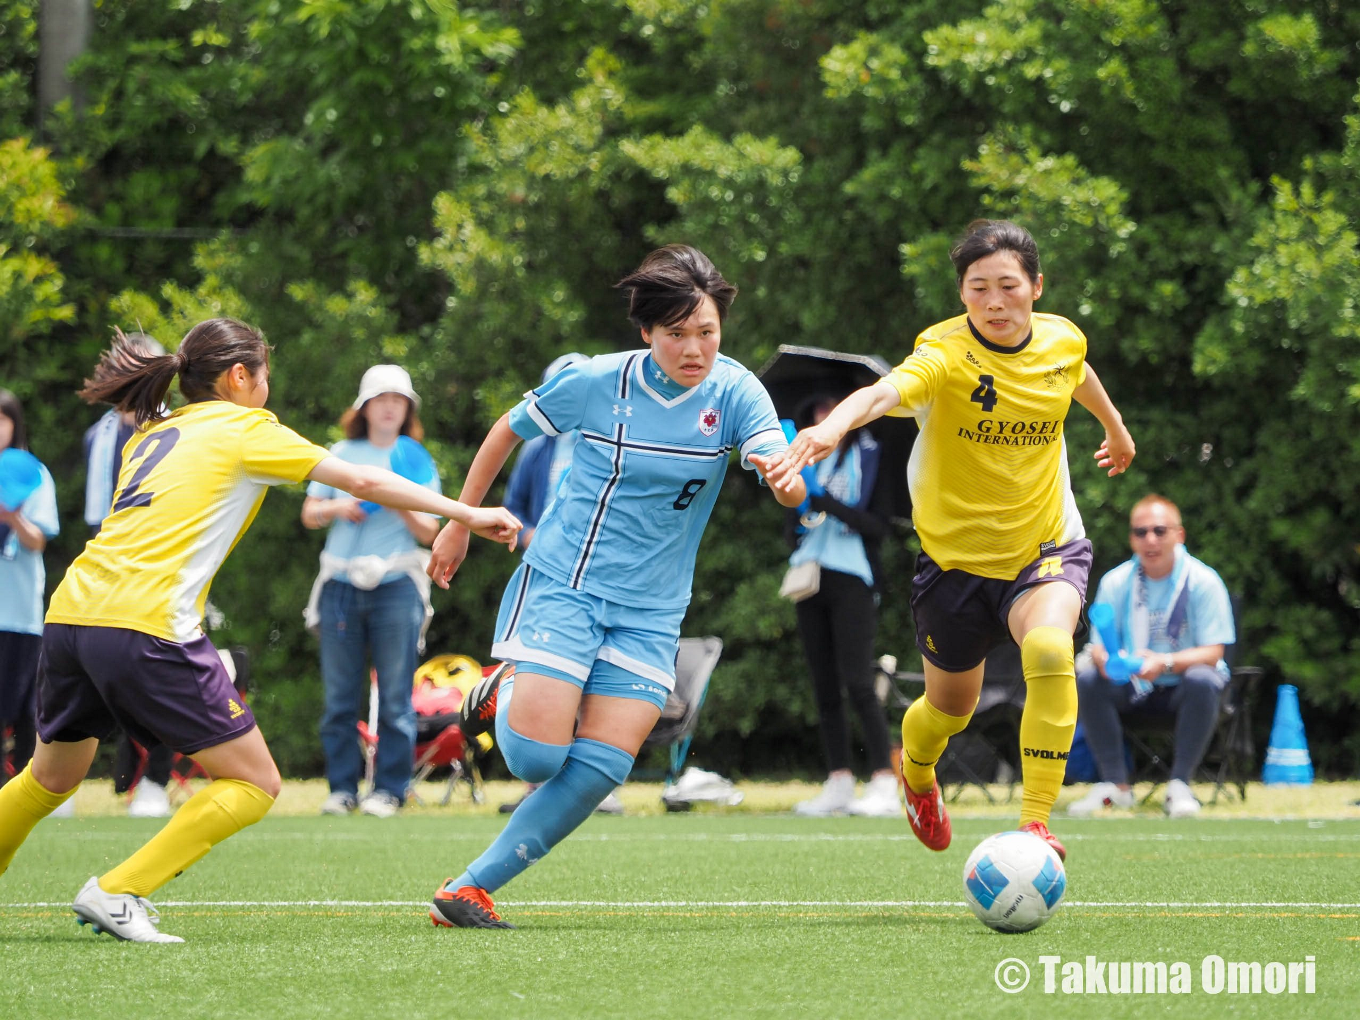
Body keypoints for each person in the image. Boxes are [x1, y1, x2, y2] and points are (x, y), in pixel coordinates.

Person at [0, 320, 520, 943]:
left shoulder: (155, 432)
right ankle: (117, 891)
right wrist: (467, 513)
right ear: (239, 376)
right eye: (264, 373)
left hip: (71, 616)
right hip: (145, 623)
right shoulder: (245, 427)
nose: (267, 386)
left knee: (50, 777)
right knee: (255, 782)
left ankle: (113, 889)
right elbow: (362, 480)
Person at [425, 244, 807, 928]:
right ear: (646, 333)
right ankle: (506, 681)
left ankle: (469, 890)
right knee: (539, 758)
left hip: (653, 611)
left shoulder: (737, 390)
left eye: (707, 331)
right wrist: (457, 522)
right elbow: (506, 430)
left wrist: (785, 479)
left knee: (603, 766)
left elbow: (776, 468)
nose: (695, 349)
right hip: (567, 585)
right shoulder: (599, 382)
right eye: (677, 334)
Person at [765, 220, 1136, 861]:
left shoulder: (1061, 339)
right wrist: (833, 430)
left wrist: (1116, 428)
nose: (995, 302)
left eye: (1008, 286)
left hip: (1045, 547)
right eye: (978, 289)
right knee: (949, 709)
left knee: (1049, 650)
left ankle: (1035, 825)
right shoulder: (942, 353)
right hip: (955, 564)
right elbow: (883, 392)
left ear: (1036, 287)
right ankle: (915, 773)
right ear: (962, 295)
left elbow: (1077, 373)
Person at [302, 365, 442, 819]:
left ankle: (389, 790)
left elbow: (429, 531)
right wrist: (339, 505)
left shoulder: (414, 456)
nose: (389, 406)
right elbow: (309, 513)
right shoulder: (341, 452)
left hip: (397, 586)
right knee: (340, 696)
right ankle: (342, 789)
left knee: (397, 698)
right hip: (340, 584)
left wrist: (396, 499)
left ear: (407, 409)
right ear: (364, 407)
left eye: (398, 400)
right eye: (381, 399)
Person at [490, 352, 624, 816]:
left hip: (606, 579)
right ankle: (534, 784)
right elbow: (514, 515)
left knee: (599, 678)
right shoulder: (538, 448)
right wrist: (541, 538)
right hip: (549, 576)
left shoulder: (614, 440)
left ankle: (594, 786)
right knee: (542, 673)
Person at [1068, 494, 1235, 819]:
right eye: (1140, 532)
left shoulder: (1203, 581)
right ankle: (1116, 787)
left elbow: (1214, 652)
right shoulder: (1116, 581)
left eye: (1160, 530)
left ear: (1179, 535)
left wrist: (1164, 663)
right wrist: (1108, 661)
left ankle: (1179, 787)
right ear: (1131, 538)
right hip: (1131, 687)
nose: (1150, 539)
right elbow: (1099, 648)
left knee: (1203, 677)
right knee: (1088, 678)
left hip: (1183, 689)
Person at [786, 395, 899, 818]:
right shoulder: (805, 461)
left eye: (831, 410)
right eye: (817, 410)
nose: (822, 417)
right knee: (823, 686)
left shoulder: (872, 457)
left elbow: (879, 527)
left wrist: (825, 501)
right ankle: (838, 780)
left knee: (859, 682)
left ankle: (884, 781)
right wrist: (798, 497)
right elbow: (792, 529)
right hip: (810, 576)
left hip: (852, 576)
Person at [82, 332, 177, 819]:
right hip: (111, 575)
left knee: (164, 678)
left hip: (165, 572)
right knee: (98, 680)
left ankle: (156, 781)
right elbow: (101, 517)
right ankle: (67, 782)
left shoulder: (178, 428)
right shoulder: (100, 435)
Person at [0, 391, 59, 789]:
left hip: (17, 614)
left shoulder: (32, 473)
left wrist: (13, 518)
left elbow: (39, 540)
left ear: (14, 424)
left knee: (23, 707)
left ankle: (25, 790)